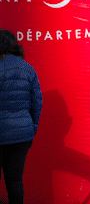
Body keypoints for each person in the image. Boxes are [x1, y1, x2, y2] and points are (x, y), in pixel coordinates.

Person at [0, 29, 42, 204]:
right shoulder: (28, 68)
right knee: (15, 180)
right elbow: (37, 102)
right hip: (22, 135)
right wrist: (32, 127)